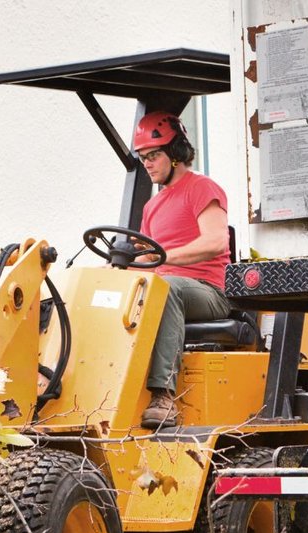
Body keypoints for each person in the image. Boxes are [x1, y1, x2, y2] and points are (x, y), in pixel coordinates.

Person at [132, 110, 231, 428]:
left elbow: (216, 242)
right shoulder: (151, 206)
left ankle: (163, 395)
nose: (147, 163)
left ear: (174, 154)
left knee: (166, 288)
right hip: (166, 287)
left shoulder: (202, 188)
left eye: (153, 155)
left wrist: (163, 259)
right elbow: (149, 260)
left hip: (209, 291)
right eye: (143, 157)